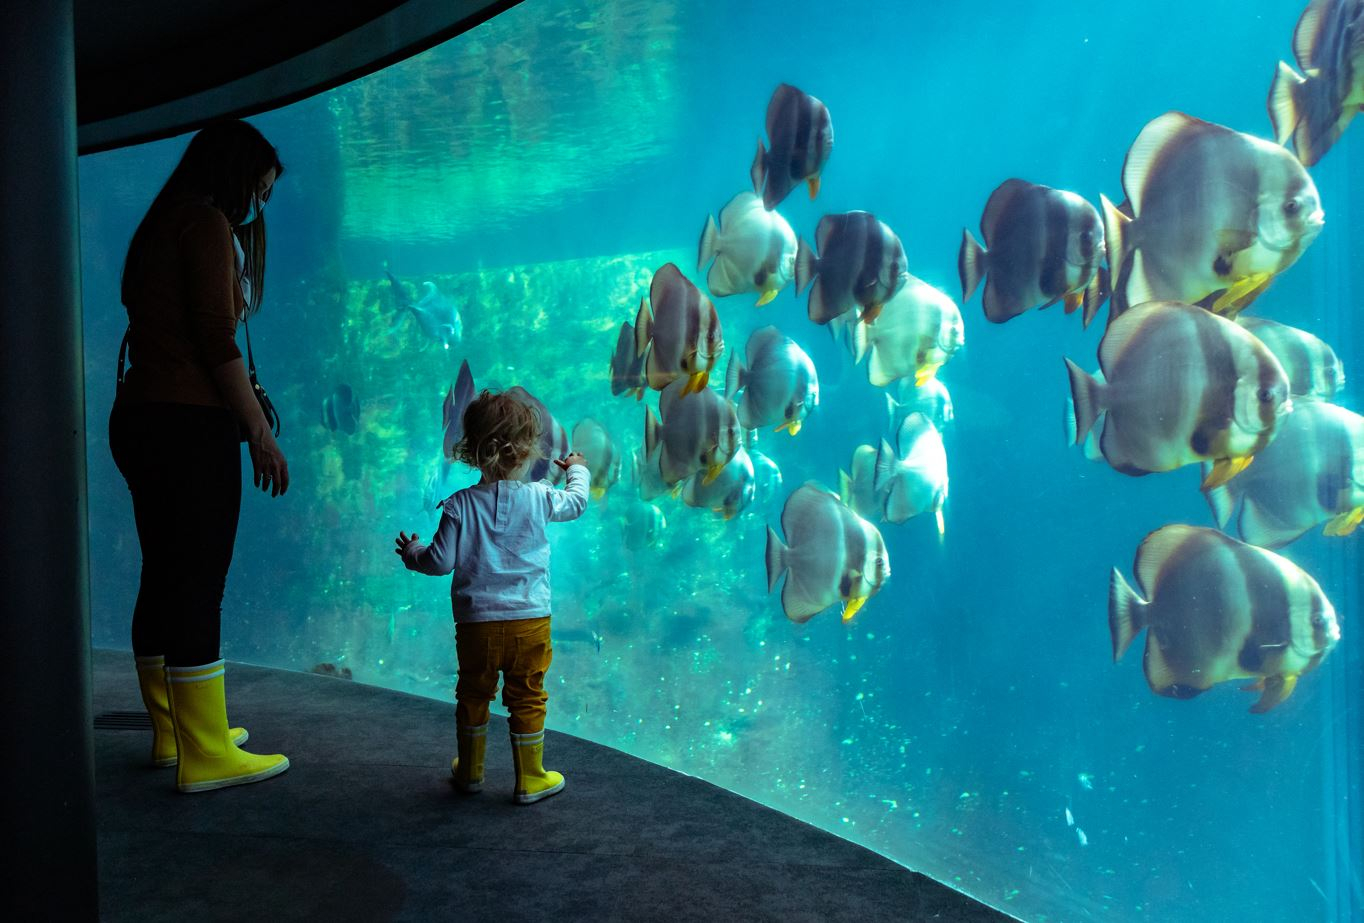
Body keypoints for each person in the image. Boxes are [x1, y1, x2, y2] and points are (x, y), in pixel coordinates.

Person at [110, 119, 290, 793]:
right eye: (260, 190)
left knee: (163, 573)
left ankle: (175, 732)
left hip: (142, 416)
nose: (259, 207)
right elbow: (218, 344)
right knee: (197, 580)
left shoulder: (160, 225)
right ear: (236, 173)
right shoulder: (207, 225)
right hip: (189, 426)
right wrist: (260, 434)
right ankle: (207, 752)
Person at [395, 391, 589, 805]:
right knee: (528, 695)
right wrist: (577, 470)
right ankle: (530, 778)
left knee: (473, 693)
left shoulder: (459, 505)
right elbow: (577, 503)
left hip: (476, 625)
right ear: (528, 451)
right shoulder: (540, 497)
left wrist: (412, 553)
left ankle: (470, 772)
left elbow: (439, 562)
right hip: (530, 622)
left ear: (471, 450)